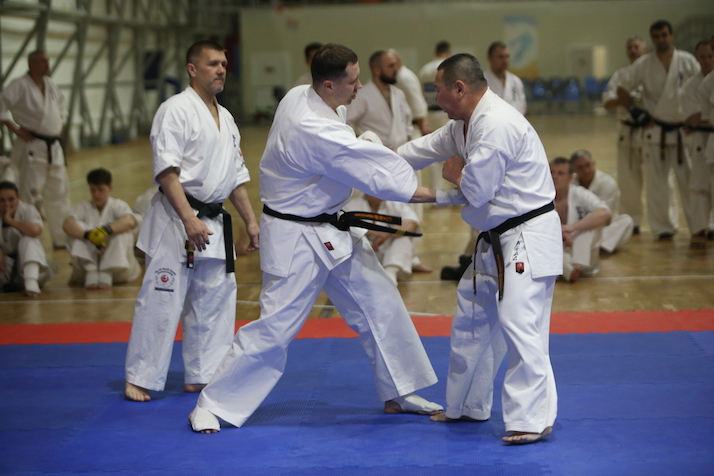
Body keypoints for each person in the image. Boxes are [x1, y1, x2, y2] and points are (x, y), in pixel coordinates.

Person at [189, 43, 442, 434]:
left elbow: (350, 153)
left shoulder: (302, 96)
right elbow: (378, 175)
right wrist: (447, 195)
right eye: (353, 81)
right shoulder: (313, 126)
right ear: (328, 84)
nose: (359, 87)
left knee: (381, 302)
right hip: (295, 237)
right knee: (276, 327)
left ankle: (399, 392)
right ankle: (213, 404)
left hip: (331, 228)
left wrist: (367, 146)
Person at [397, 53, 562, 444]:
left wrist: (456, 174)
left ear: (459, 88)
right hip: (494, 237)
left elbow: (477, 190)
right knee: (471, 321)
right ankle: (466, 406)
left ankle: (532, 419)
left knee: (521, 325)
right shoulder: (462, 125)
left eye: (437, 90)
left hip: (526, 236)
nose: (434, 98)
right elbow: (420, 149)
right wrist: (364, 161)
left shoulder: (496, 124)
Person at [124, 40, 260, 402]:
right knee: (162, 300)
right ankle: (140, 376)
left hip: (213, 221)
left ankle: (202, 374)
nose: (221, 70)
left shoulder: (226, 118)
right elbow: (166, 170)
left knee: (214, 300)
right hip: (177, 220)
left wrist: (251, 221)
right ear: (192, 69)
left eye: (224, 64)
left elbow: (235, 176)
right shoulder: (175, 110)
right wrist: (188, 218)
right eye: (213, 63)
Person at [616, 20, 700, 241]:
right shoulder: (644, 64)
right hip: (655, 131)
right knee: (657, 184)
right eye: (656, 36)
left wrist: (696, 116)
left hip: (684, 131)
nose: (661, 39)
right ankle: (663, 227)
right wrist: (637, 113)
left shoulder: (687, 61)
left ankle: (699, 225)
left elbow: (702, 85)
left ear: (671, 36)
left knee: (690, 182)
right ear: (652, 39)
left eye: (664, 35)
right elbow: (621, 88)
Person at [0, 50, 71, 248]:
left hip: (53, 147)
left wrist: (57, 128)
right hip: (32, 146)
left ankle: (60, 239)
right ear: (31, 64)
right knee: (29, 195)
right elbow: (1, 105)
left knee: (59, 193)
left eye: (47, 61)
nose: (47, 65)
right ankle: (26, 240)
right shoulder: (19, 85)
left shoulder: (51, 85)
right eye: (42, 61)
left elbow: (62, 108)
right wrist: (15, 129)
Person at [62, 168, 141, 289]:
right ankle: (91, 268)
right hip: (87, 271)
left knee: (122, 233)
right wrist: (88, 235)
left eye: (100, 190)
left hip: (119, 270)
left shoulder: (118, 205)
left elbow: (130, 221)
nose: (96, 194)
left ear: (110, 188)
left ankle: (107, 271)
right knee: (77, 228)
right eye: (93, 190)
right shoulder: (83, 206)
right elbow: (67, 225)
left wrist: (104, 231)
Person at [602, 36, 649, 235]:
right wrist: (627, 100)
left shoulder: (653, 72)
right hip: (626, 130)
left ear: (645, 49)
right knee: (628, 181)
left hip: (650, 129)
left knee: (658, 179)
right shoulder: (620, 75)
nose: (632, 50)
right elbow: (607, 102)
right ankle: (632, 221)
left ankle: (665, 224)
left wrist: (626, 98)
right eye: (629, 47)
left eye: (636, 46)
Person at [551, 157, 612, 282]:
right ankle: (565, 267)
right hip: (551, 243)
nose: (554, 177)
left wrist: (572, 228)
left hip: (575, 245)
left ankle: (574, 266)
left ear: (570, 178)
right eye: (551, 172)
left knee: (592, 226)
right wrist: (559, 231)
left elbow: (604, 213)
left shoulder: (579, 193)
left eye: (560, 173)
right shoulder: (539, 195)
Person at [343, 191, 422, 284]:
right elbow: (342, 226)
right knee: (353, 238)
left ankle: (390, 274)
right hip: (363, 254)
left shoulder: (396, 204)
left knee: (403, 237)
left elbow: (411, 223)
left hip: (388, 253)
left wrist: (386, 234)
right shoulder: (351, 205)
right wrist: (373, 232)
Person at [681, 40, 714, 248]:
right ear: (696, 59)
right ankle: (700, 227)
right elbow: (691, 118)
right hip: (700, 141)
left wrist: (702, 119)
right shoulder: (691, 86)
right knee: (698, 185)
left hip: (709, 137)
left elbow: (699, 118)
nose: (706, 60)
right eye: (702, 56)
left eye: (710, 56)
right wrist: (705, 119)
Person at [347, 50, 413, 149]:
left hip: (401, 149)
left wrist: (408, 137)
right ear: (377, 70)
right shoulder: (362, 95)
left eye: (396, 65)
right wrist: (358, 142)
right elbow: (347, 121)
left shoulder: (399, 93)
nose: (396, 69)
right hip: (376, 151)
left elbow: (408, 119)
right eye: (391, 66)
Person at [570, 150, 634, 253]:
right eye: (580, 168)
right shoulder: (569, 181)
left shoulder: (607, 183)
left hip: (598, 226)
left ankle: (597, 247)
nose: (586, 170)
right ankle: (584, 245)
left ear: (593, 163)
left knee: (626, 221)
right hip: (572, 225)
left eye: (588, 165)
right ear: (574, 170)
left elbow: (603, 215)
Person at [0, 180, 56, 297]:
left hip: (30, 265)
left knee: (29, 239)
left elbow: (35, 231)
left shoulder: (28, 209)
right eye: (2, 200)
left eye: (11, 199)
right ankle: (8, 282)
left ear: (18, 198)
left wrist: (10, 220)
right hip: (6, 266)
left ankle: (31, 283)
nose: (7, 204)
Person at [419, 41, 452, 190]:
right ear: (448, 52)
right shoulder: (449, 67)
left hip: (430, 113)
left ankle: (435, 188)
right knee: (451, 151)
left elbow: (420, 94)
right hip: (446, 113)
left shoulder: (424, 70)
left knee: (433, 152)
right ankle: (451, 188)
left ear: (435, 52)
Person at [391, 50, 430, 138]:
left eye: (392, 65)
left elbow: (417, 105)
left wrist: (423, 127)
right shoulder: (399, 77)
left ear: (398, 62)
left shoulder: (403, 78)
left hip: (413, 128)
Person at [482, 41, 527, 115]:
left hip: (513, 119)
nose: (505, 61)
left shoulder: (515, 81)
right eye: (500, 57)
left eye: (507, 56)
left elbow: (522, 105)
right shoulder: (481, 81)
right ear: (489, 58)